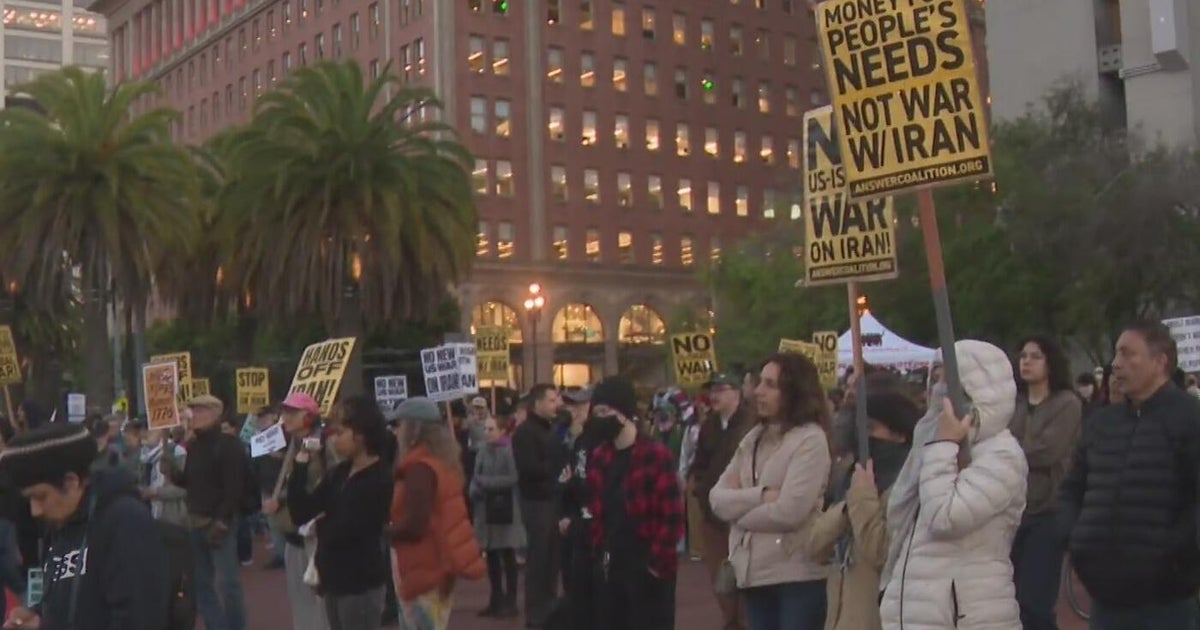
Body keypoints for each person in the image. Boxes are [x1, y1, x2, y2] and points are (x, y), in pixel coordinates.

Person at [1060, 320, 1200, 628]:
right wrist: (1075, 537)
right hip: (1105, 595)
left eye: (1127, 354)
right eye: (1115, 355)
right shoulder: (1101, 423)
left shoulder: (1190, 418)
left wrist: (1173, 557)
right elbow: (1073, 488)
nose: (1116, 364)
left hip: (1165, 598)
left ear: (1159, 361)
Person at [880, 340, 1027, 630]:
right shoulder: (932, 445)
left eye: (947, 380)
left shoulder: (1002, 455)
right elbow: (901, 515)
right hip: (920, 612)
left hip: (966, 614)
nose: (938, 391)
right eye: (935, 379)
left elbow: (945, 516)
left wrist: (943, 445)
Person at [0, 423, 168, 630]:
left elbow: (138, 620)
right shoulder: (58, 525)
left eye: (40, 496)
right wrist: (35, 614)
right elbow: (57, 593)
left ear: (71, 482)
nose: (36, 510)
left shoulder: (125, 521)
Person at [710, 354, 833, 630]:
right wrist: (760, 496)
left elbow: (790, 511)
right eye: (759, 383)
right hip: (754, 574)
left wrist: (738, 515)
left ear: (793, 391)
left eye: (770, 384)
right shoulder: (753, 438)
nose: (758, 392)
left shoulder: (810, 440)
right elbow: (717, 498)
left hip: (796, 575)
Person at [807, 390, 917, 630]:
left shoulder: (906, 487)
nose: (863, 437)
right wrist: (848, 507)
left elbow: (881, 552)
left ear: (898, 434)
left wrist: (863, 498)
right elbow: (815, 546)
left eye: (871, 429)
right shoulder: (852, 477)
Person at [583, 376, 684, 630]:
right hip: (611, 564)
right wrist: (598, 556)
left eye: (605, 411)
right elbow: (596, 511)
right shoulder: (600, 456)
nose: (600, 418)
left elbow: (671, 517)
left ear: (624, 412)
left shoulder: (655, 455)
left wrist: (656, 565)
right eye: (596, 412)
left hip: (648, 564)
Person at [287, 396, 392, 630]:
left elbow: (349, 528)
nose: (334, 439)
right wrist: (301, 466)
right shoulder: (340, 473)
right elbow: (302, 512)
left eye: (341, 432)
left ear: (361, 434)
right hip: (333, 579)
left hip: (359, 582)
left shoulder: (379, 477)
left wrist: (322, 525)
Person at [387, 397, 485, 630]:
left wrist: (385, 532)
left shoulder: (419, 469)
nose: (396, 431)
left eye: (399, 425)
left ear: (413, 428)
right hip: (439, 562)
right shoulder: (442, 463)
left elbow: (416, 523)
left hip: (423, 562)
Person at [1010, 336, 1082, 630]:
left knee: (1035, 600)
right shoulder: (1013, 404)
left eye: (1035, 356)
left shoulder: (1067, 403)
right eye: (1024, 355)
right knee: (1011, 596)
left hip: (1049, 509)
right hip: (1014, 509)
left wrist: (1010, 451)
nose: (1026, 361)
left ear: (1050, 363)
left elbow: (1048, 451)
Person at [164, 394, 248, 630]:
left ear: (215, 414)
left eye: (200, 411)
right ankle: (217, 625)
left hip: (217, 522)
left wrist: (222, 520)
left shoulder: (228, 444)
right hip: (195, 521)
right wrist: (172, 472)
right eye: (193, 411)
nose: (194, 416)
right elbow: (191, 482)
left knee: (227, 584)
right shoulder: (195, 445)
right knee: (200, 585)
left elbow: (234, 487)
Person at [689, 372, 753, 630]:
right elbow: (700, 463)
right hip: (712, 515)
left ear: (736, 392)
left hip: (742, 515)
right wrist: (702, 489)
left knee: (745, 576)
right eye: (711, 390)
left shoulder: (750, 423)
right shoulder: (709, 426)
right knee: (720, 577)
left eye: (720, 389)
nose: (713, 396)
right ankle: (730, 622)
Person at [265, 392, 333, 630]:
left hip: (316, 532)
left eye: (293, 412)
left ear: (309, 416)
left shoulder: (326, 444)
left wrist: (282, 498)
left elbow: (326, 483)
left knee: (320, 599)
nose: (287, 417)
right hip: (293, 531)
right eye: (285, 412)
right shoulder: (291, 445)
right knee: (300, 599)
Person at [511, 384, 564, 629]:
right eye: (552, 400)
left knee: (552, 560)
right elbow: (529, 468)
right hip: (536, 502)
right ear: (538, 403)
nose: (557, 405)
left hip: (551, 500)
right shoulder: (525, 433)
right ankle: (535, 615)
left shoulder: (550, 430)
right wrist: (556, 470)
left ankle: (549, 610)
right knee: (539, 560)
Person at [470, 416, 524, 618]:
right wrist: (473, 490)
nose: (487, 432)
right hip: (485, 509)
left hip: (505, 510)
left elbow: (513, 477)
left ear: (502, 431)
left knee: (508, 557)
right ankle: (495, 599)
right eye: (486, 428)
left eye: (491, 429)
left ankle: (511, 601)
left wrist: (486, 482)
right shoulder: (482, 450)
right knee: (491, 558)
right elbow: (475, 475)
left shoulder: (509, 451)